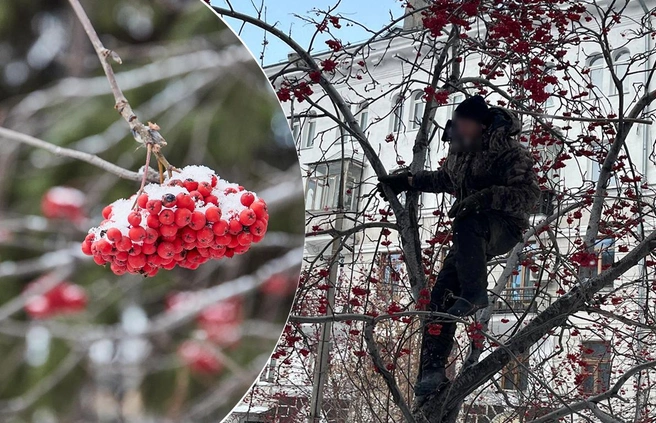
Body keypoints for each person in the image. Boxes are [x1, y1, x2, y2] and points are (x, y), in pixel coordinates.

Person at [378, 95, 540, 396]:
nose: (460, 131)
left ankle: (475, 293)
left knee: (468, 220)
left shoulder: (509, 153)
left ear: (481, 126)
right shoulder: (459, 149)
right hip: (469, 234)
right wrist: (409, 181)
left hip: (503, 225)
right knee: (439, 297)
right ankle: (432, 372)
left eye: (466, 125)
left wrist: (484, 198)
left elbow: (530, 196)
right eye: (458, 124)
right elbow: (446, 179)